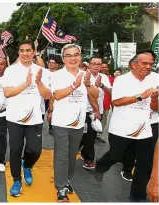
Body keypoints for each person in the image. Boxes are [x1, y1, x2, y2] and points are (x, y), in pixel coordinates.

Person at [94, 50, 159, 202]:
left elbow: (156, 108)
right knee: (116, 156)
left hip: (145, 130)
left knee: (145, 164)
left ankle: (137, 197)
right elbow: (116, 102)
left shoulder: (157, 79)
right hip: (121, 129)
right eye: (145, 63)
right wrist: (140, 96)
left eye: (151, 64)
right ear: (133, 65)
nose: (148, 67)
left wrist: (155, 99)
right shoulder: (122, 80)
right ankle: (101, 165)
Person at [50, 44, 99, 202]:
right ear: (63, 59)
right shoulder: (57, 75)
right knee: (62, 156)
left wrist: (87, 84)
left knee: (72, 156)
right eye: (69, 55)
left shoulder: (86, 74)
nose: (73, 58)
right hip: (61, 123)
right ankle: (60, 187)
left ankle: (67, 179)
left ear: (80, 56)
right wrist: (74, 85)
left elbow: (94, 94)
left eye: (76, 54)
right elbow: (57, 95)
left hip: (78, 123)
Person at [2, 39, 50, 197]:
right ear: (18, 53)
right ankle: (17, 180)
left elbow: (47, 95)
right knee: (15, 150)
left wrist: (38, 82)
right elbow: (8, 93)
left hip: (34, 118)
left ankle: (27, 164)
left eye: (28, 50)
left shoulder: (42, 71)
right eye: (21, 50)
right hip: (14, 118)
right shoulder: (10, 70)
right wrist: (26, 84)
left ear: (33, 52)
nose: (24, 53)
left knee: (35, 150)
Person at [80, 56, 112, 170]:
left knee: (91, 135)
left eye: (99, 64)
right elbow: (87, 94)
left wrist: (102, 85)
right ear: (89, 64)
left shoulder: (104, 77)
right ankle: (89, 159)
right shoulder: (82, 75)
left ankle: (83, 153)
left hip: (99, 111)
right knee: (87, 135)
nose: (96, 66)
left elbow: (111, 92)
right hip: (85, 110)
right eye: (94, 63)